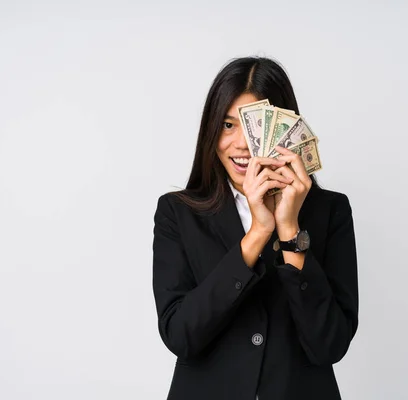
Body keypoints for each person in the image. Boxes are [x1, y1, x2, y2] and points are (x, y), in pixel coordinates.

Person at [152, 56, 359, 400]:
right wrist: (258, 234)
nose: (241, 145)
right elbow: (180, 335)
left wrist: (290, 231)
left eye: (252, 127)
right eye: (228, 125)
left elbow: (330, 345)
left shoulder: (330, 211)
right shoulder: (178, 213)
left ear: (283, 130)